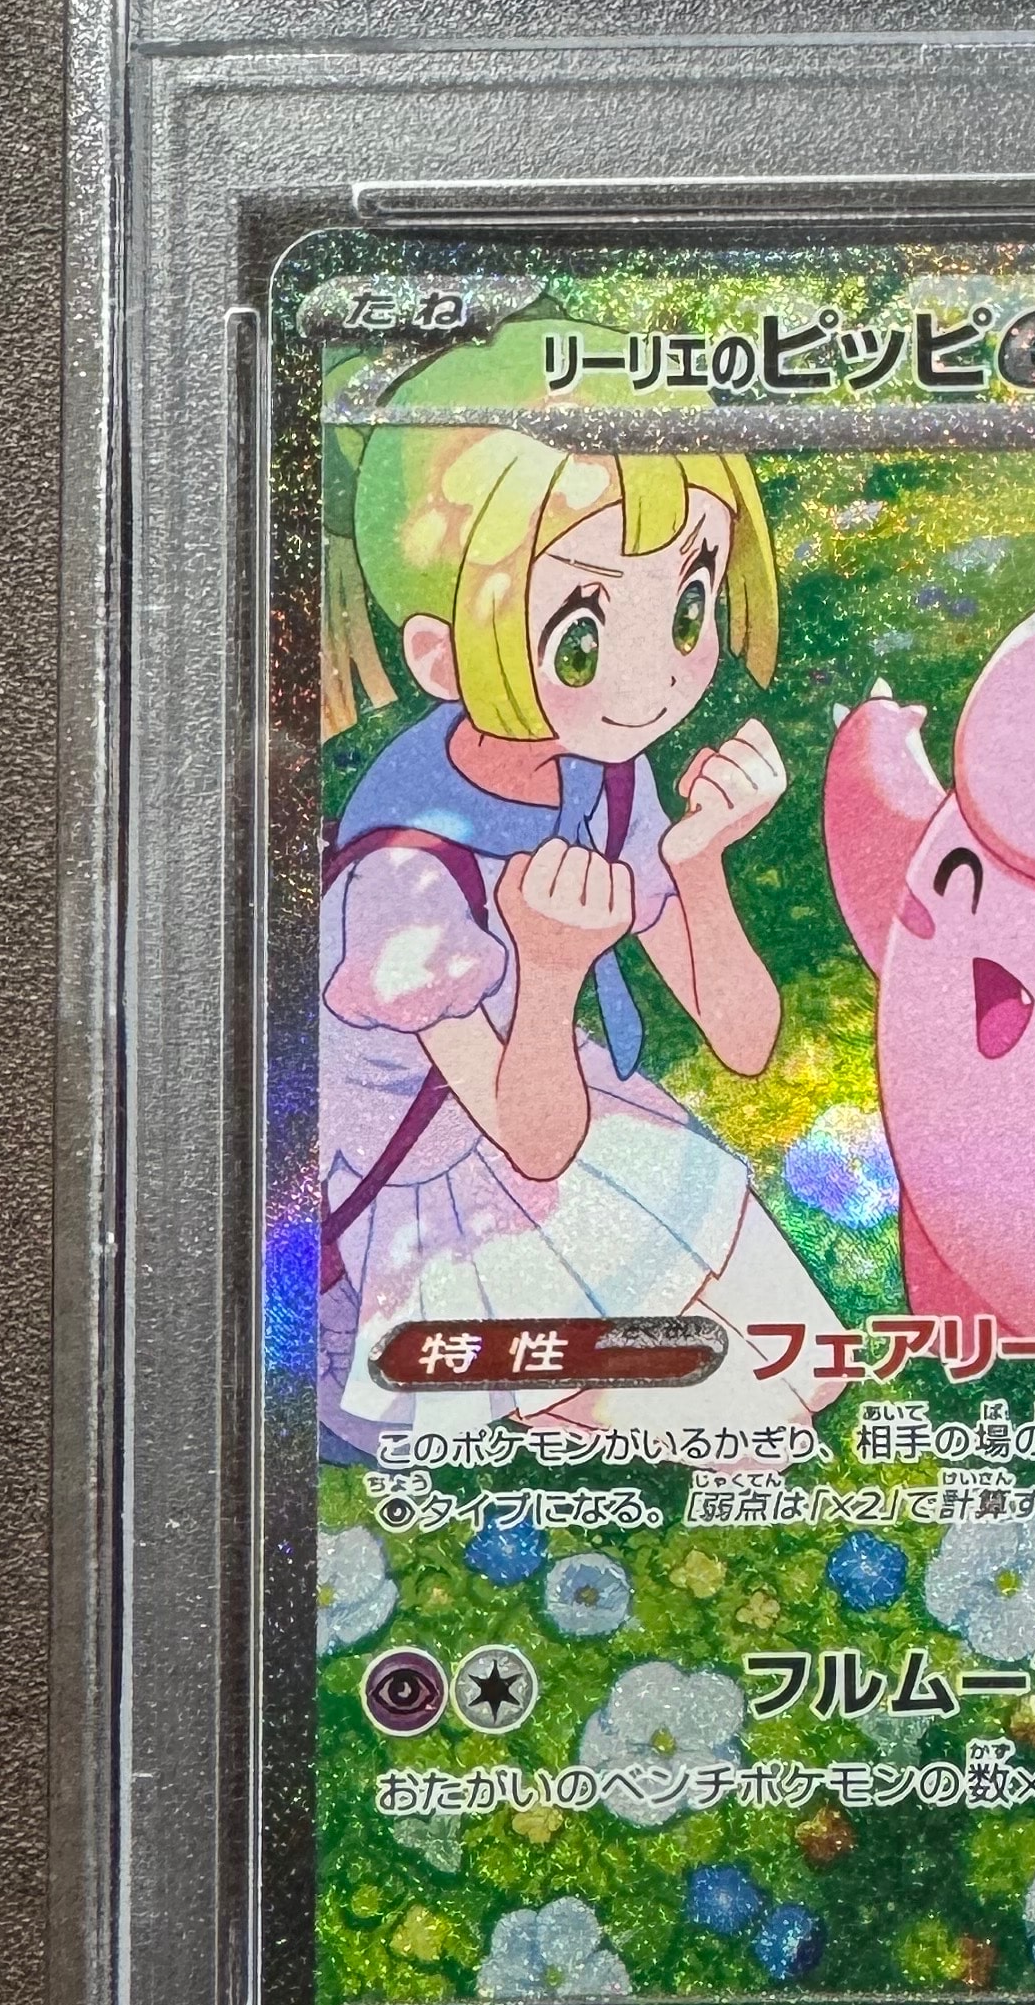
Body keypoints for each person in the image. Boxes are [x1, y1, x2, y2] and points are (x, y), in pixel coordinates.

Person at [319, 414, 846, 1455]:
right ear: (441, 657)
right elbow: (532, 1141)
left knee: (819, 1367)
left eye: (687, 609)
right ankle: (497, 1403)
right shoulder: (403, 876)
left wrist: (698, 863)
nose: (652, 684)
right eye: (583, 640)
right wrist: (553, 969)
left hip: (568, 1107)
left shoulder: (603, 770)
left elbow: (745, 1040)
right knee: (764, 1428)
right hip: (449, 1186)